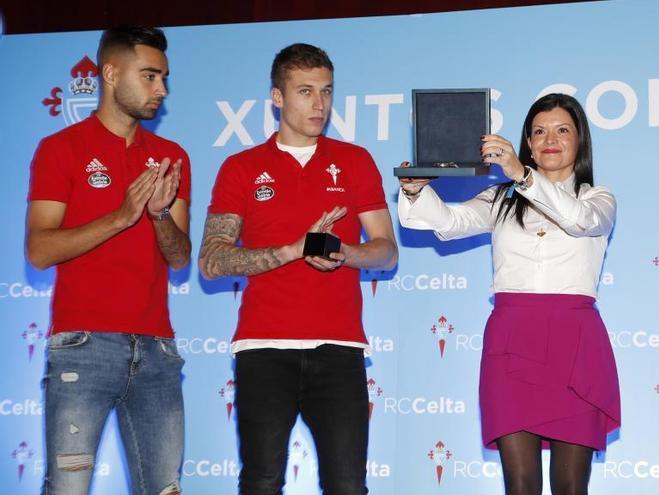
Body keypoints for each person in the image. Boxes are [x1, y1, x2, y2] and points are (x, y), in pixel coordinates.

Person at [199, 43, 398, 495]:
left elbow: (386, 251)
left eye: (326, 91)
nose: (319, 104)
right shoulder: (241, 167)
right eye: (305, 91)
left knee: (348, 485)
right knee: (262, 482)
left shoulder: (355, 160)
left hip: (340, 348)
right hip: (263, 347)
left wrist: (343, 252)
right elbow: (212, 261)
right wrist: (293, 250)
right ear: (277, 97)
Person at [398, 93, 620, 495]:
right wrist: (416, 191)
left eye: (561, 130)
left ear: (580, 141)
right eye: (539, 131)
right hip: (511, 338)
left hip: (575, 342)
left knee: (571, 486)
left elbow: (578, 220)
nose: (549, 139)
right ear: (528, 143)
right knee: (520, 485)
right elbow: (448, 222)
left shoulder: (597, 197)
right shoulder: (500, 198)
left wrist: (524, 176)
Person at [26, 25, 191, 495]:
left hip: (157, 351)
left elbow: (179, 258)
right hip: (83, 346)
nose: (161, 89)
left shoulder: (170, 156)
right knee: (68, 490)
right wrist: (120, 217)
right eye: (150, 76)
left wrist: (158, 215)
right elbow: (39, 250)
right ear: (111, 73)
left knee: (164, 489)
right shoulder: (61, 149)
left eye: (164, 79)